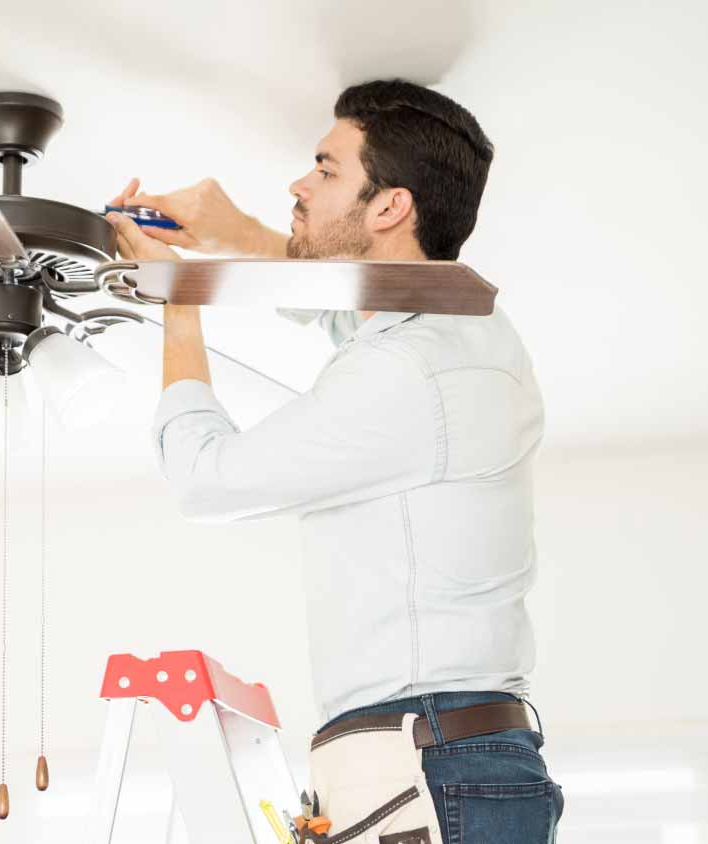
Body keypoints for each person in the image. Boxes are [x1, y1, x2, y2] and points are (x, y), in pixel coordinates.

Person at [105, 79, 562, 843]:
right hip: (428, 759)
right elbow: (333, 296)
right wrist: (228, 230)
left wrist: (178, 303)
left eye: (324, 169)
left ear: (389, 207)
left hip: (427, 761)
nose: (298, 183)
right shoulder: (449, 334)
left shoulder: (409, 370)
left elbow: (207, 479)